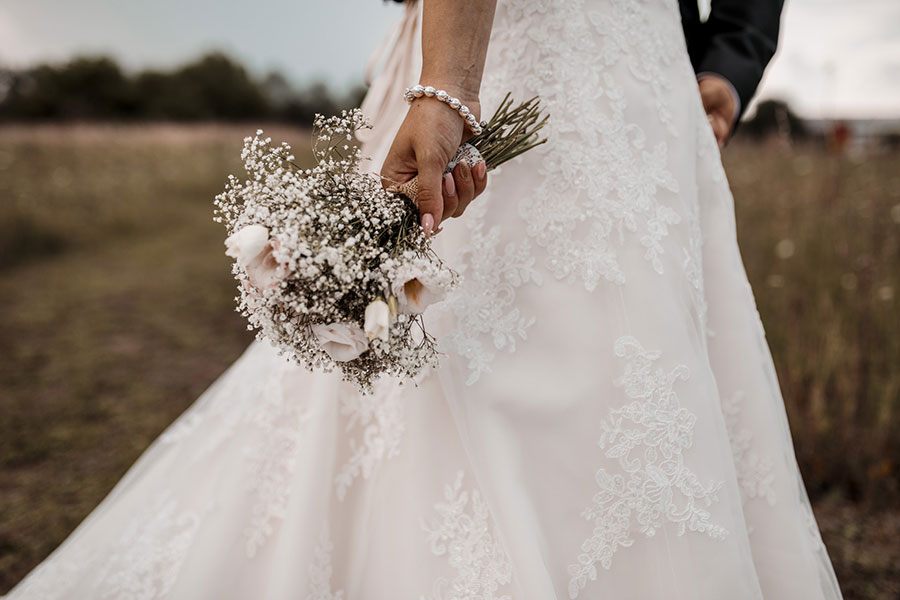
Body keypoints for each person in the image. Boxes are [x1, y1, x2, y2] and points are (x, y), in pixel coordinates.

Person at [5, 1, 843, 599]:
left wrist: (728, 64)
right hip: (511, 53)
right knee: (451, 355)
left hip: (624, 86)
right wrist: (444, 83)